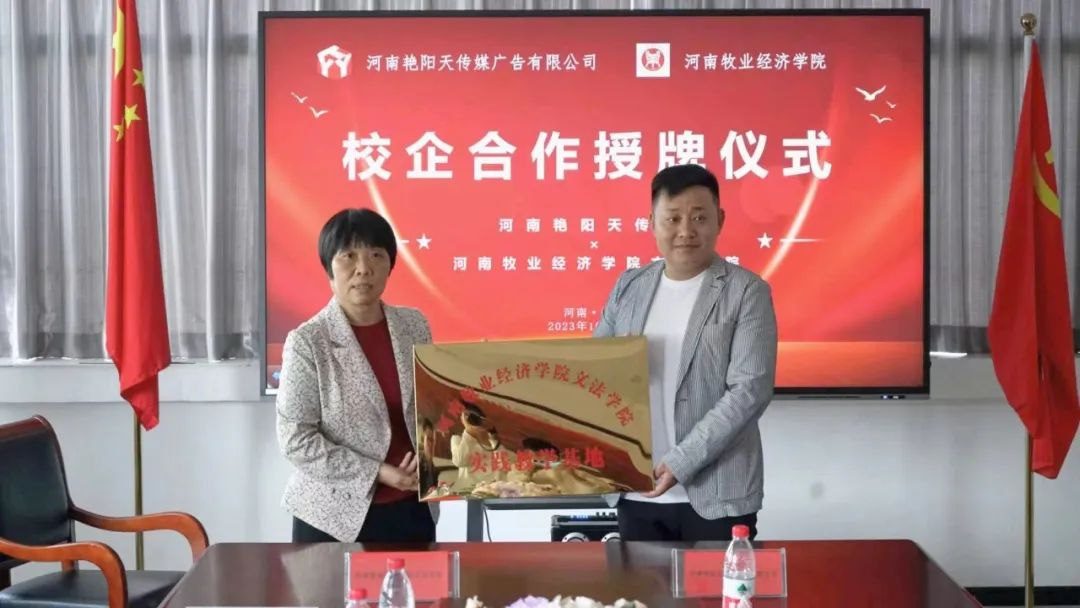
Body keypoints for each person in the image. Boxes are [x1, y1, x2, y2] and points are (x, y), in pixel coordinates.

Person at [593, 164, 778, 542]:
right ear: (651, 223)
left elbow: (749, 391)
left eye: (699, 218)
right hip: (636, 490)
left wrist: (682, 461)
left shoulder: (747, 292)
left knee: (718, 584)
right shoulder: (629, 287)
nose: (685, 231)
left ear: (720, 220)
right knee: (636, 584)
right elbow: (594, 373)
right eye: (673, 218)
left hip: (717, 495)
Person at [276, 208, 437, 542]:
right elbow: (296, 440)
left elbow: (432, 409)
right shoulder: (308, 341)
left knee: (420, 580)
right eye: (348, 256)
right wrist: (379, 473)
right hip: (332, 517)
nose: (363, 268)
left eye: (376, 255)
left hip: (412, 507)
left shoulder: (414, 325)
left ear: (390, 265)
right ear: (329, 267)